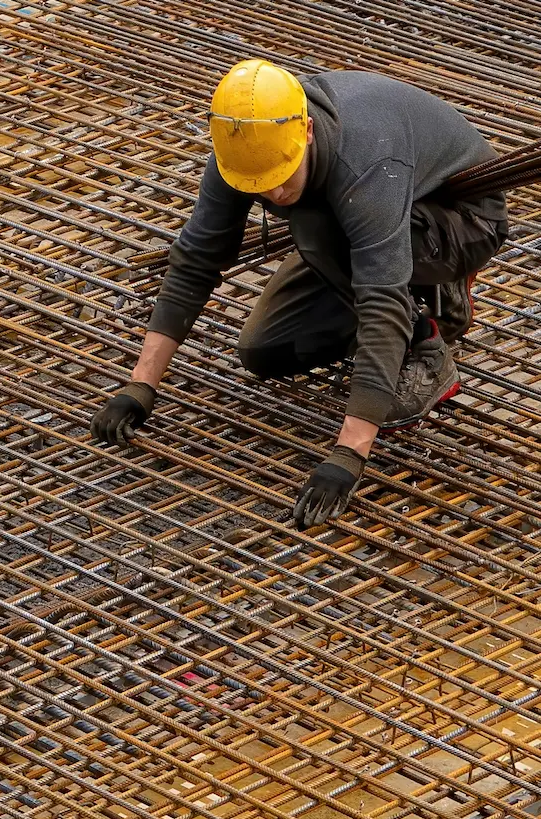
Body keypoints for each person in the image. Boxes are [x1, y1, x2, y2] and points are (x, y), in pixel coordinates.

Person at [90, 59, 507, 529]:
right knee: (264, 351)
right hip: (358, 222)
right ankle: (411, 294)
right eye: (260, 186)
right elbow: (196, 260)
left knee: (315, 224)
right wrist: (140, 386)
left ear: (306, 131)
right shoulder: (241, 149)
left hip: (460, 220)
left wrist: (348, 454)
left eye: (281, 176)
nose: (273, 192)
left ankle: (426, 335)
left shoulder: (365, 162)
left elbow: (380, 299)